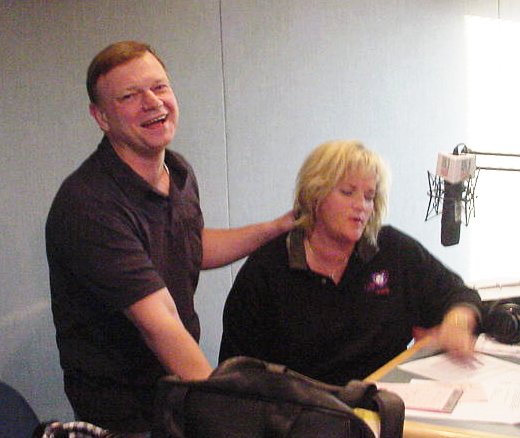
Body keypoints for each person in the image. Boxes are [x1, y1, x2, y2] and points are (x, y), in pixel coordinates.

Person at [45, 41, 293, 436]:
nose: (152, 102)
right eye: (129, 96)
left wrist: (275, 228)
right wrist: (224, 411)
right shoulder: (88, 203)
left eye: (159, 87)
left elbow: (189, 248)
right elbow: (159, 323)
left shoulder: (177, 172)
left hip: (175, 393)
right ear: (101, 117)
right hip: (125, 415)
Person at [219, 139, 482, 386]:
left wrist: (457, 323)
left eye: (369, 196)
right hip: (301, 411)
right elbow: (237, 377)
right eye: (347, 192)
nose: (361, 206)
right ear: (315, 196)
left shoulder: (393, 250)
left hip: (385, 404)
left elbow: (458, 295)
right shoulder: (267, 270)